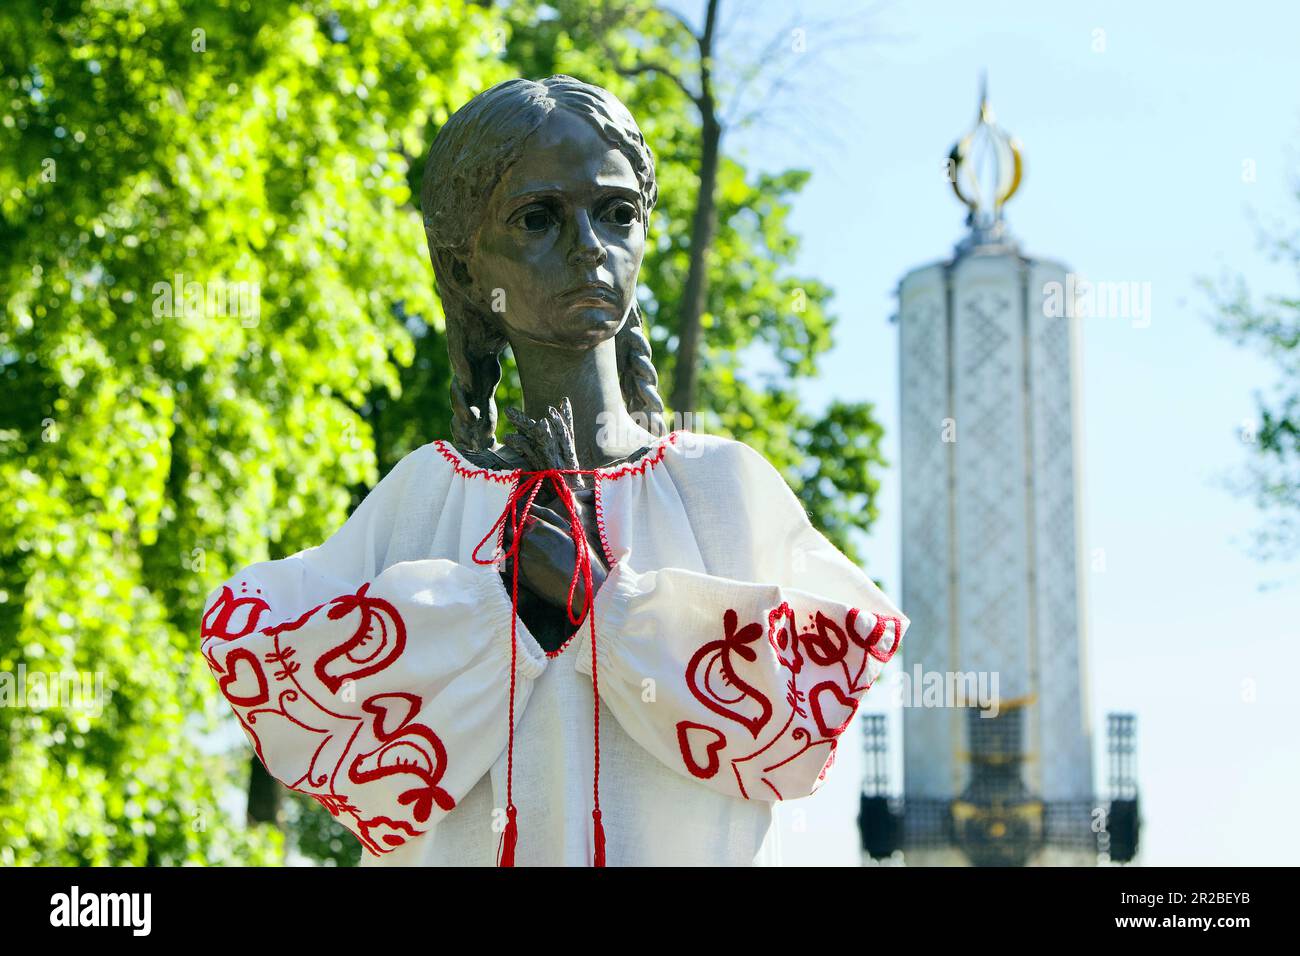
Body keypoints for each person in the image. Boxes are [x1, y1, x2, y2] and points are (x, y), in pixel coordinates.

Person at [199, 75, 908, 866]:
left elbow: (795, 734)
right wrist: (489, 609)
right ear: (467, 268)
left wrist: (605, 604)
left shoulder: (722, 490)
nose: (587, 248)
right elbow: (290, 695)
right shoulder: (425, 499)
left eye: (616, 214)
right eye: (538, 218)